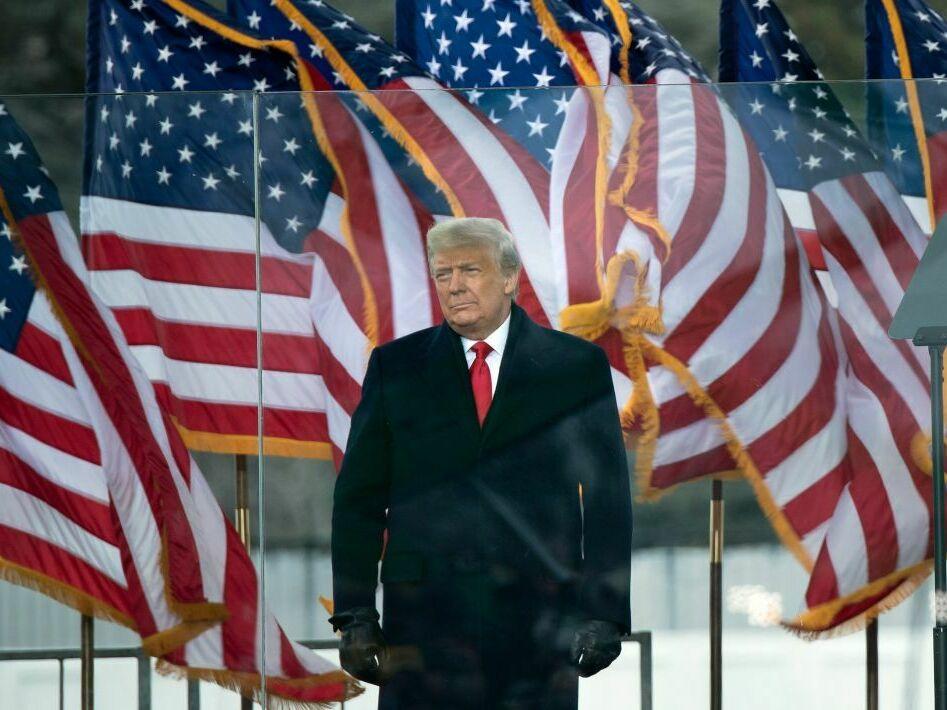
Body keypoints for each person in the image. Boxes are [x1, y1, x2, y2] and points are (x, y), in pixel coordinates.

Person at [329, 217, 633, 709]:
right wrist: (355, 613)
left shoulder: (574, 368)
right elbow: (358, 500)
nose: (454, 286)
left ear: (510, 278)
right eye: (443, 274)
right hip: (423, 626)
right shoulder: (396, 368)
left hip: (538, 623)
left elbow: (607, 501)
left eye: (470, 270)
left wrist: (604, 612)